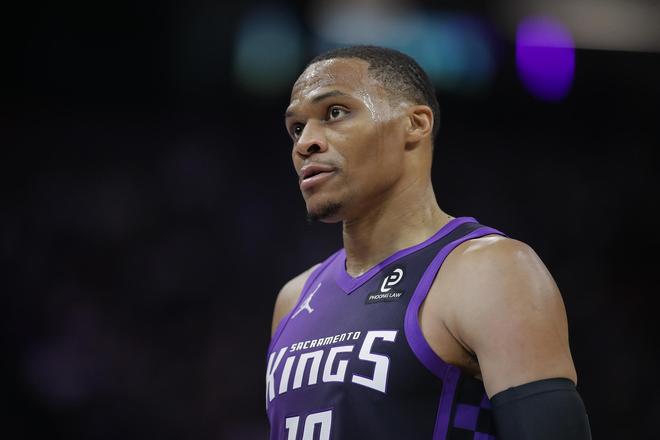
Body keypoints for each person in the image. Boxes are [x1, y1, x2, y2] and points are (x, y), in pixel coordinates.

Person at [266, 45, 591, 440]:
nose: (305, 143)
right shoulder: (294, 299)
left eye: (335, 112)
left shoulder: (491, 270)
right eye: (297, 128)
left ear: (415, 124)